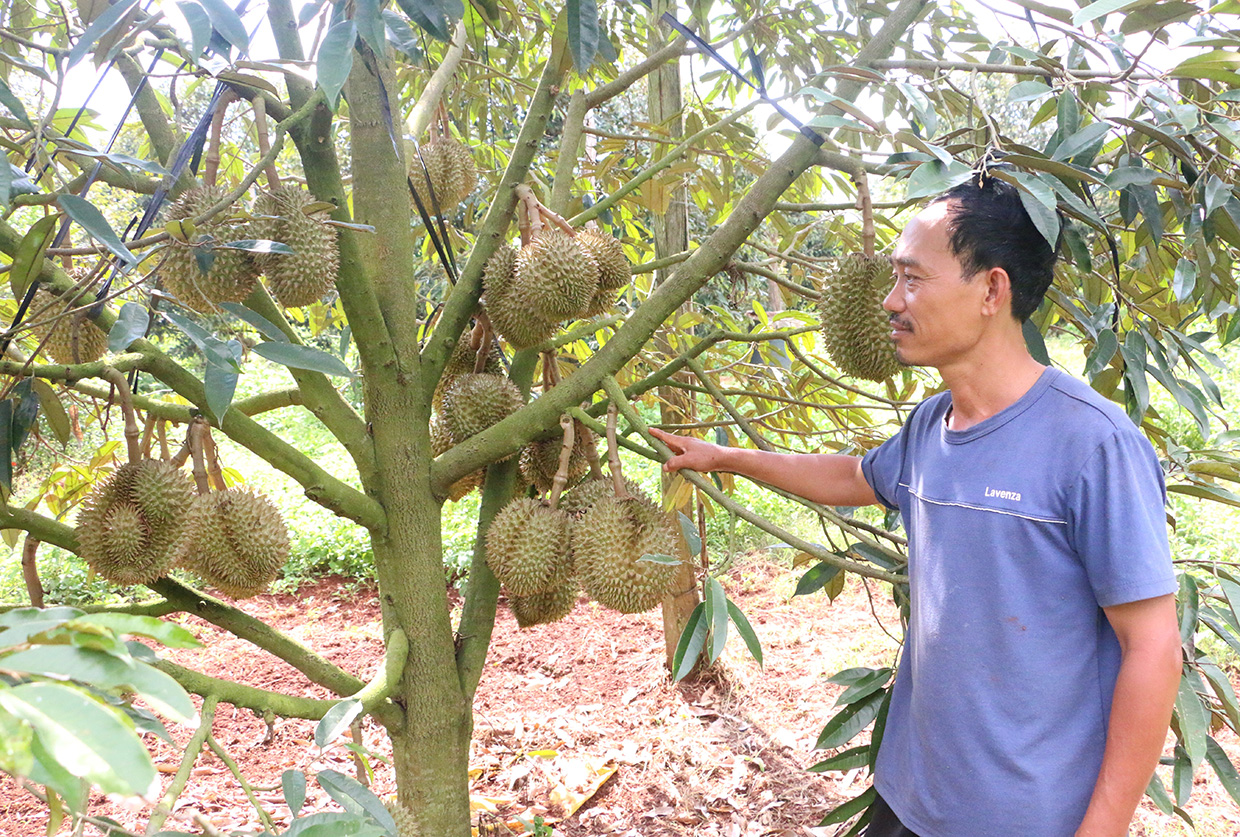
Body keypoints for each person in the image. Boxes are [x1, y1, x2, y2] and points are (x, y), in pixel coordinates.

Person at [651, 175, 1182, 837]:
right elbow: (853, 476)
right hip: (910, 795)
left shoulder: (1094, 443)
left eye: (912, 279)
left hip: (1021, 816)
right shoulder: (933, 425)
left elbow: (1153, 648)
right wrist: (726, 457)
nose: (890, 299)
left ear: (991, 290)